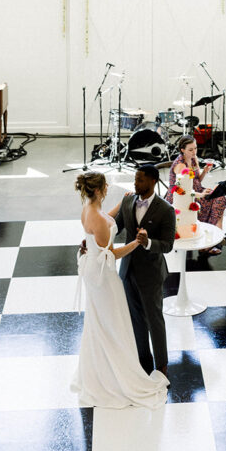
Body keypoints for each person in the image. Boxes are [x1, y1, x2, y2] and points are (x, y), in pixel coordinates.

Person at [71, 171, 169, 409]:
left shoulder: (88, 210)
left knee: (99, 322)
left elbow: (106, 221)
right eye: (105, 186)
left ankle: (101, 369)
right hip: (104, 277)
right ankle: (117, 374)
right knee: (114, 322)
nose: (107, 188)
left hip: (93, 271)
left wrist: (122, 202)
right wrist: (136, 243)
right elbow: (111, 254)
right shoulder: (100, 220)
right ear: (97, 190)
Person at [114, 163, 176, 377]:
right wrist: (93, 238)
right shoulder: (128, 201)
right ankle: (143, 360)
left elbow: (168, 245)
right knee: (136, 319)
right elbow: (114, 228)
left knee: (154, 320)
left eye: (140, 179)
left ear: (152, 181)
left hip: (150, 274)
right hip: (128, 270)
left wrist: (149, 243)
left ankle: (161, 365)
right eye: (135, 178)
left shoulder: (166, 209)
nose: (135, 183)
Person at [167, 135, 226, 254]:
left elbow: (197, 180)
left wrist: (204, 171)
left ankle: (212, 239)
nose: (194, 152)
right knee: (216, 202)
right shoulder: (181, 165)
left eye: (196, 148)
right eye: (191, 149)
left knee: (220, 199)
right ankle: (209, 242)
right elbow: (183, 191)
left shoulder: (193, 159)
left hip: (196, 191)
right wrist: (202, 194)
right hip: (183, 197)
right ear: (182, 150)